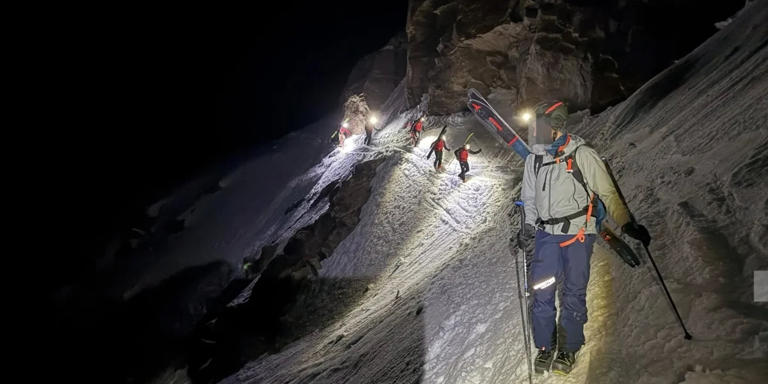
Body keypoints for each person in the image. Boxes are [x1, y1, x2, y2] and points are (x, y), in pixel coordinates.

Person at [517, 100, 651, 375]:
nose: (535, 133)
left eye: (540, 128)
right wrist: (528, 227)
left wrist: (626, 224)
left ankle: (569, 346)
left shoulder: (582, 154)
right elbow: (529, 199)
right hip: (545, 235)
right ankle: (545, 345)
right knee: (541, 292)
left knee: (573, 292)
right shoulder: (534, 159)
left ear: (556, 128)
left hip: (578, 233)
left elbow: (608, 192)